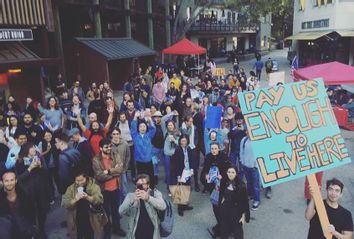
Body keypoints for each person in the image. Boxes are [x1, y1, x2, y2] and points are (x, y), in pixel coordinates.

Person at [92, 138, 126, 237]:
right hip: (104, 190)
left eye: (110, 146)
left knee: (116, 210)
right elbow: (99, 176)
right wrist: (114, 174)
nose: (109, 148)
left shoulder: (115, 155)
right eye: (106, 147)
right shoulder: (95, 159)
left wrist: (109, 171)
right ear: (100, 148)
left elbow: (120, 169)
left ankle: (117, 228)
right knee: (106, 212)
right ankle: (107, 231)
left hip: (116, 188)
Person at [16, 142, 50, 238]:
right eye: (32, 148)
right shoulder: (20, 161)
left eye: (34, 148)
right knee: (30, 212)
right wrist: (30, 168)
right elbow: (19, 178)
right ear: (26, 150)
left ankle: (42, 230)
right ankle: (33, 231)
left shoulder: (39, 157)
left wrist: (40, 166)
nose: (34, 150)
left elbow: (46, 172)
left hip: (40, 189)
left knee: (42, 210)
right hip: (27, 192)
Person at [61, 169, 107, 239]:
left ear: (86, 177)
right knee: (77, 235)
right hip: (76, 219)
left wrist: (88, 197)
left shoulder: (93, 186)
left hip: (90, 219)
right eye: (77, 181)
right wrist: (75, 199)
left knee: (90, 235)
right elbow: (64, 203)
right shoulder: (71, 188)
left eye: (82, 180)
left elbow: (100, 200)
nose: (79, 183)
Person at [119, 174, 166, 239]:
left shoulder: (155, 193)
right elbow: (120, 211)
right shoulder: (130, 196)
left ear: (148, 185)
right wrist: (132, 200)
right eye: (138, 184)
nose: (140, 186)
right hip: (136, 231)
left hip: (151, 230)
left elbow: (163, 206)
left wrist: (148, 198)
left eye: (143, 184)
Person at [201, 142, 231, 237]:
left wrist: (223, 176)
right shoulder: (208, 156)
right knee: (215, 207)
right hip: (213, 187)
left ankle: (224, 228)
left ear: (219, 148)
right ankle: (220, 224)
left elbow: (230, 171)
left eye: (215, 148)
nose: (214, 150)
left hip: (222, 187)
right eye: (212, 149)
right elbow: (205, 169)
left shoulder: (224, 157)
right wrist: (205, 175)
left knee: (222, 208)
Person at [0, 171, 36, 239]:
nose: (9, 183)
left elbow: (32, 212)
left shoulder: (24, 194)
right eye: (6, 181)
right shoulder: (1, 198)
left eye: (11, 180)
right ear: (2, 182)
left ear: (16, 181)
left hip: (25, 229)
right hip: (9, 231)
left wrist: (32, 228)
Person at [218, 166, 250, 239]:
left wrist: (244, 215)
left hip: (236, 212)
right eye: (229, 172)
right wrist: (221, 204)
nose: (230, 174)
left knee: (238, 233)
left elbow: (245, 202)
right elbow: (221, 194)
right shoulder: (224, 182)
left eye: (233, 172)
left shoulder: (241, 186)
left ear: (236, 174)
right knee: (224, 230)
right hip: (225, 210)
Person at [131, 112, 156, 187]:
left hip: (149, 161)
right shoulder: (135, 136)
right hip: (139, 162)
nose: (142, 128)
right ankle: (141, 191)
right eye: (141, 127)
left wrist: (150, 120)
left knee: (150, 177)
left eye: (144, 126)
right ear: (138, 128)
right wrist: (135, 117)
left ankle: (151, 191)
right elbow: (133, 128)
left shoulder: (149, 135)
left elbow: (153, 129)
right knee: (141, 179)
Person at [172, 135, 194, 216]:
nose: (184, 142)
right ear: (180, 141)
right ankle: (180, 208)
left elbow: (191, 159)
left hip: (188, 171)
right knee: (181, 190)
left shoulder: (189, 149)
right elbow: (176, 164)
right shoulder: (177, 150)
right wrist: (178, 176)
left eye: (185, 141)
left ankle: (185, 205)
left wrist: (192, 169)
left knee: (187, 188)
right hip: (181, 172)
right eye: (182, 141)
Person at [239, 131, 261, 210]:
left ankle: (257, 200)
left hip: (254, 167)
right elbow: (241, 152)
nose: (248, 132)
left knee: (255, 184)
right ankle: (251, 195)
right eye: (247, 131)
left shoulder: (258, 141)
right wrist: (242, 162)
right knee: (249, 182)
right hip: (246, 166)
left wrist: (256, 165)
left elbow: (260, 154)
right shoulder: (244, 140)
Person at [110, 127, 131, 204]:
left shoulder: (125, 144)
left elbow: (128, 156)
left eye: (117, 134)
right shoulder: (109, 145)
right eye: (114, 134)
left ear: (120, 135)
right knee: (115, 189)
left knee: (124, 189)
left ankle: (125, 205)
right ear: (111, 135)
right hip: (113, 171)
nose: (116, 136)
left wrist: (125, 167)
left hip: (122, 170)